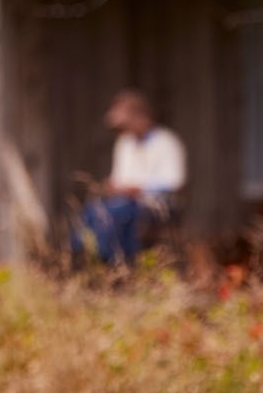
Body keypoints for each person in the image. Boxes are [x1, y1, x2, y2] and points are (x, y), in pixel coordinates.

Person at [75, 89, 186, 266]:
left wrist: (139, 188)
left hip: (157, 205)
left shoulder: (166, 142)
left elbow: (174, 181)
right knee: (92, 211)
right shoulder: (125, 143)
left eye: (125, 124)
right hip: (124, 202)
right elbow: (120, 178)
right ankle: (88, 257)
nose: (123, 130)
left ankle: (123, 264)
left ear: (140, 117)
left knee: (119, 215)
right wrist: (113, 186)